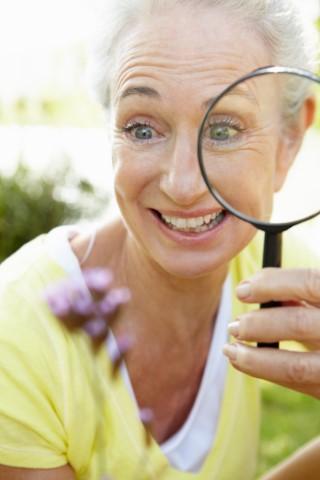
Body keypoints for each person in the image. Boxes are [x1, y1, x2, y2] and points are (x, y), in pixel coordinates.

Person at [0, 1, 319, 479]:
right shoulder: (18, 332)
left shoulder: (267, 267)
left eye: (224, 130)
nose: (183, 184)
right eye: (142, 129)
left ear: (289, 139)